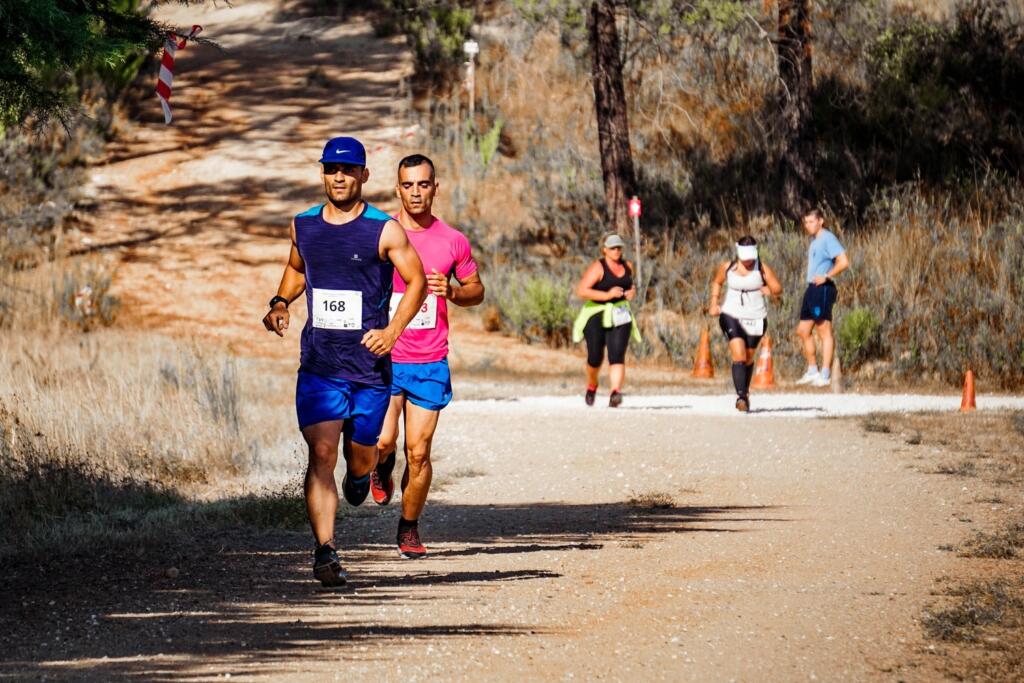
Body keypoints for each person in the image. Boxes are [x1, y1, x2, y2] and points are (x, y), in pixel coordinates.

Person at [262, 136, 427, 587]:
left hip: (369, 372)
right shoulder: (304, 226)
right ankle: (325, 552)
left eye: (348, 170)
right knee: (320, 453)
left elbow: (417, 284)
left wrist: (392, 332)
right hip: (319, 366)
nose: (339, 177)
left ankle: (362, 475)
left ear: (363, 176)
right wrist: (280, 302)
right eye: (332, 169)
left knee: (358, 459)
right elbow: (298, 268)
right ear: (323, 174)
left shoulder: (384, 230)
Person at [370, 154, 484, 559]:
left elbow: (477, 290)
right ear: (397, 189)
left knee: (418, 453)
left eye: (423, 184)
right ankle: (381, 465)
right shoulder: (381, 234)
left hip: (429, 360)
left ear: (435, 187)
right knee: (383, 440)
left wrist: (453, 292)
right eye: (408, 185)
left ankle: (408, 527)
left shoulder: (453, 240)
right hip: (385, 357)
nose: (416, 192)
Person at [708, 236, 783, 412]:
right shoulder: (728, 267)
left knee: (748, 358)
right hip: (730, 314)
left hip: (756, 317)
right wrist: (713, 303)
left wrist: (769, 290)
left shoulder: (762, 268)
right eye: (745, 256)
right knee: (739, 356)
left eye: (751, 256)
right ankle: (741, 397)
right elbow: (717, 282)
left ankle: (745, 393)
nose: (748, 260)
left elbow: (778, 288)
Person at [572, 234, 641, 407]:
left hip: (620, 313)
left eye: (619, 247)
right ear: (604, 250)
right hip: (597, 313)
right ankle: (592, 384)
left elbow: (630, 286)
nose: (616, 250)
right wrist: (607, 295)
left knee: (617, 354)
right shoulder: (598, 267)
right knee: (595, 357)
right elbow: (581, 291)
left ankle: (615, 392)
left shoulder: (628, 266)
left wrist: (632, 292)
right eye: (612, 248)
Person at [795, 208, 849, 388]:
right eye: (806, 222)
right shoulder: (814, 241)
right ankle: (812, 370)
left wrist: (827, 276)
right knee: (803, 330)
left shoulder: (828, 238)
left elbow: (843, 261)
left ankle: (825, 374)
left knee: (824, 330)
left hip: (823, 288)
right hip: (812, 287)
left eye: (811, 221)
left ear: (821, 221)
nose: (808, 225)